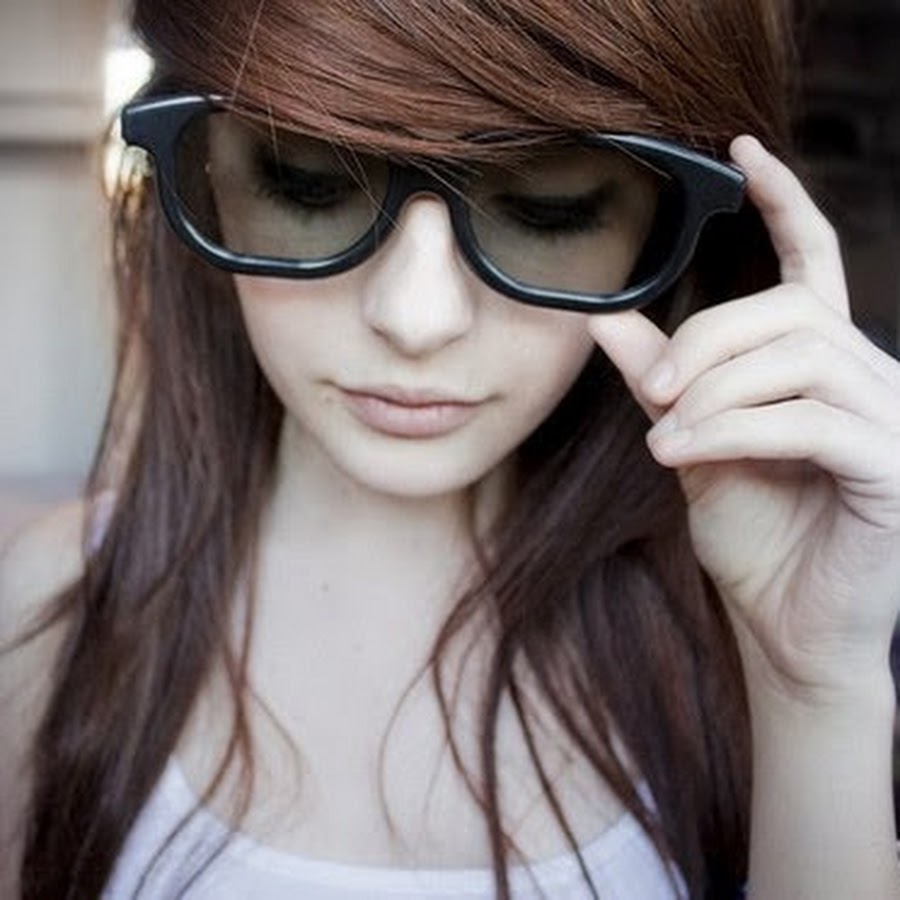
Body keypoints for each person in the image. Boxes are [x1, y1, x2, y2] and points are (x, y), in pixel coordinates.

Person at [2, 0, 899, 897]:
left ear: (671, 227)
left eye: (547, 212)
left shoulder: (740, 645)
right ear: (198, 173)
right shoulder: (45, 612)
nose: (416, 318)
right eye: (309, 185)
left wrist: (812, 693)